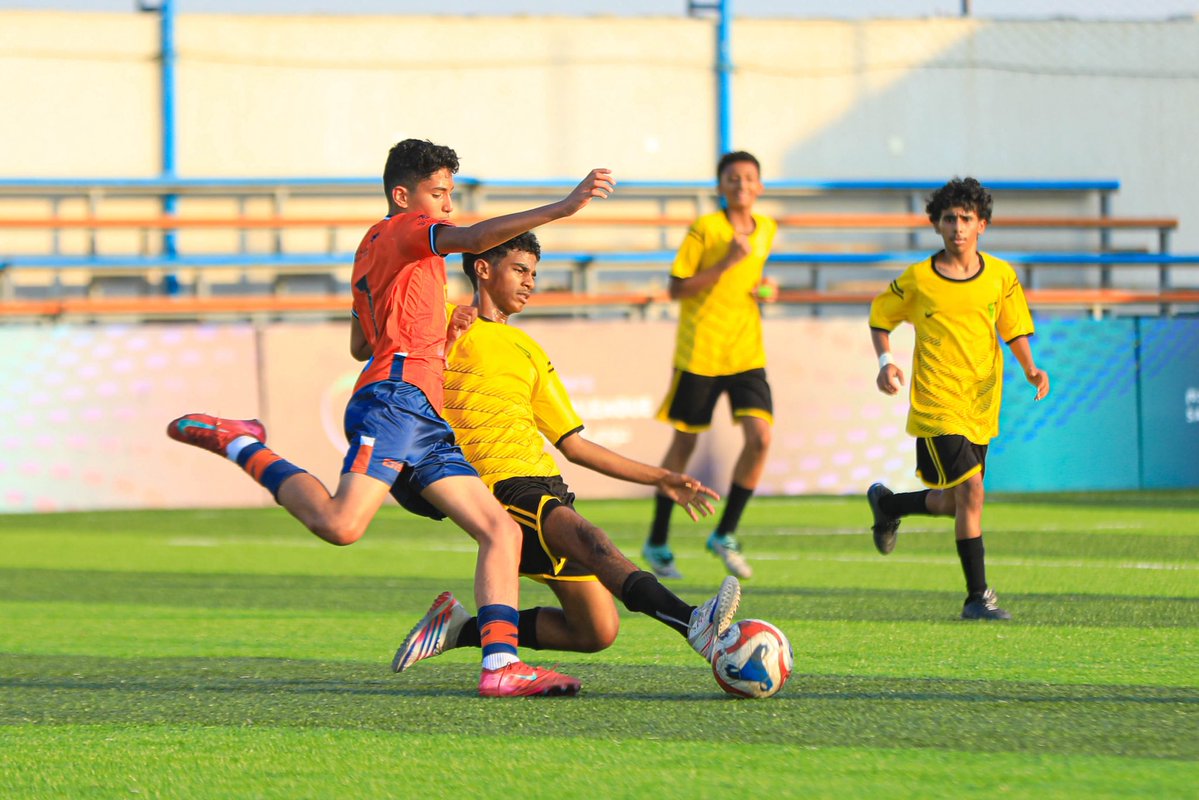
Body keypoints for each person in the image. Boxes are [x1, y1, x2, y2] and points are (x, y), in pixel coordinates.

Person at [167, 138, 615, 697]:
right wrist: (563, 208)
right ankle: (242, 442)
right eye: (438, 193)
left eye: (450, 194)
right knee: (341, 525)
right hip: (396, 398)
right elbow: (475, 239)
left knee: (499, 529)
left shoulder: (374, 250)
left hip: (421, 408)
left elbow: (363, 342)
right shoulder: (404, 228)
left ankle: (502, 664)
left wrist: (435, 336)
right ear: (404, 195)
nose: (447, 207)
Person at [391, 232, 742, 676]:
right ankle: (693, 622)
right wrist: (443, 335)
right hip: (496, 487)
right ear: (482, 268)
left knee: (594, 630)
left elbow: (574, 445)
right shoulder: (443, 321)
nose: (530, 282)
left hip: (544, 483)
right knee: (594, 541)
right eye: (520, 269)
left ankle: (460, 628)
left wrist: (660, 477)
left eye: (534, 273)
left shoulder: (530, 351)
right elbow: (395, 361)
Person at [865, 176, 1050, 621]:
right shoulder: (918, 279)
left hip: (981, 404)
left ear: (982, 224)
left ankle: (889, 505)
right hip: (936, 406)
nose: (958, 227)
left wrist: (1030, 367)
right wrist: (885, 361)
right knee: (972, 490)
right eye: (949, 218)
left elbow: (1013, 328)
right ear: (937, 225)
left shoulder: (1001, 276)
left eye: (966, 218)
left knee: (954, 502)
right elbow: (880, 317)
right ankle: (977, 598)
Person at [642, 150, 779, 581]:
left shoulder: (768, 229)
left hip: (746, 353)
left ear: (759, 186)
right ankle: (658, 541)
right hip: (700, 352)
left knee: (760, 438)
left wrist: (765, 290)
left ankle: (726, 533)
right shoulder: (705, 229)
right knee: (684, 446)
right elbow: (677, 289)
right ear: (720, 186)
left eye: (748, 178)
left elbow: (751, 279)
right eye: (732, 178)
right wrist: (726, 263)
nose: (740, 185)